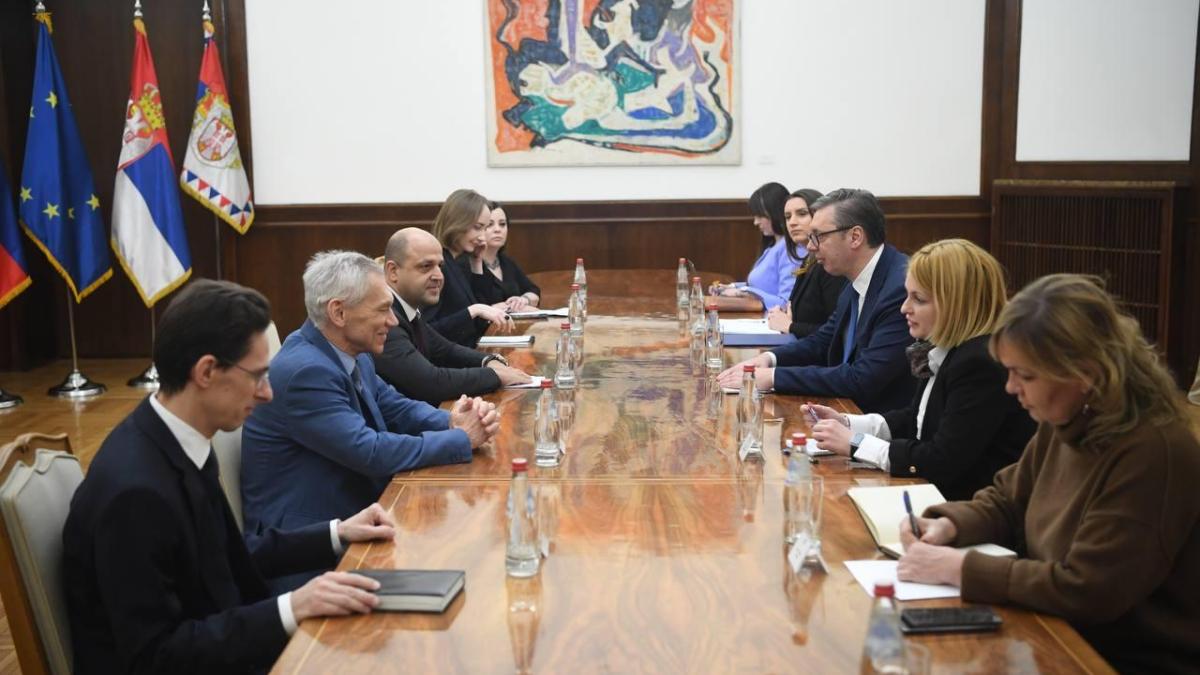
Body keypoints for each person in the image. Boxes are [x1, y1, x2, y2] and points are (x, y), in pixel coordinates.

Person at [62, 279, 397, 672]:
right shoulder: (135, 494)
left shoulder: (175, 438)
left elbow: (226, 555)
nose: (267, 393)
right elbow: (156, 656)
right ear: (207, 371)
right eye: (257, 376)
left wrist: (337, 533)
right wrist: (293, 608)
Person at [897, 274, 1200, 674]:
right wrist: (949, 526)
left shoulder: (1152, 452)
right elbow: (1008, 500)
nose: (1010, 388)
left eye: (1025, 375)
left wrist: (958, 568)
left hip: (1118, 658)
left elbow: (1089, 589)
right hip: (1051, 630)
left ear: (1085, 373)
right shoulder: (1069, 417)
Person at [241, 251, 499, 574]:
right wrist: (460, 438)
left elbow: (395, 406)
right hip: (310, 550)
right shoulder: (305, 372)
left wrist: (451, 420)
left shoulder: (351, 350)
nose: (393, 321)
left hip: (361, 514)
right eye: (382, 309)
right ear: (339, 312)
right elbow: (370, 451)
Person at [804, 239, 1035, 500]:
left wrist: (856, 444)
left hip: (963, 506)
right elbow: (916, 418)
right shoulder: (948, 347)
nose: (905, 308)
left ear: (956, 304)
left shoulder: (980, 363)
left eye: (919, 299)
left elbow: (942, 459)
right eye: (907, 295)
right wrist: (848, 423)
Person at [717, 188, 915, 413]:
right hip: (847, 410)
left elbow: (863, 377)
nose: (810, 247)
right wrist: (769, 359)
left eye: (819, 236)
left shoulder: (899, 289)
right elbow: (823, 341)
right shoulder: (856, 277)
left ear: (855, 237)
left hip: (880, 420)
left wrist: (773, 377)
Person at [376, 227, 532, 405]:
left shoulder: (406, 308)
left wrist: (488, 360)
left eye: (440, 266)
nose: (439, 276)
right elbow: (430, 382)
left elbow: (445, 349)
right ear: (393, 271)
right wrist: (494, 375)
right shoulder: (385, 318)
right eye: (426, 266)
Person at [423, 188, 514, 347]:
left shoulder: (462, 261)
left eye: (484, 228)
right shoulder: (437, 265)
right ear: (458, 223)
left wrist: (477, 262)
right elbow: (427, 332)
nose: (482, 237)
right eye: (477, 227)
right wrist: (473, 310)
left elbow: (483, 316)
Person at [766, 189, 847, 338]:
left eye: (802, 214)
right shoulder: (808, 259)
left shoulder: (831, 264)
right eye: (787, 217)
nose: (792, 222)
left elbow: (837, 333)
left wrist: (790, 326)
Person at [710, 182, 804, 307]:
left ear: (775, 213)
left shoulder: (791, 250)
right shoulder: (773, 246)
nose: (755, 222)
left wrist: (743, 292)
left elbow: (786, 303)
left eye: (760, 216)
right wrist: (732, 287)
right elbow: (762, 286)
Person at [477, 201, 541, 311]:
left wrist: (523, 300)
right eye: (490, 224)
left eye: (502, 224)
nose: (498, 230)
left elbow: (534, 291)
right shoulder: (469, 265)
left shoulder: (506, 262)